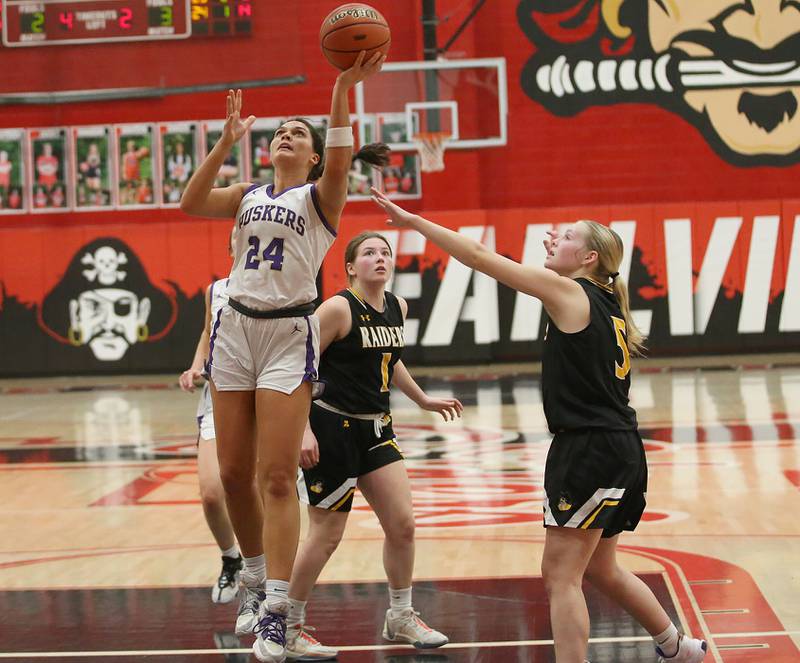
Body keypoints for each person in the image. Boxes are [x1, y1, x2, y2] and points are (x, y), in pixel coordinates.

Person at [370, 188, 708, 663]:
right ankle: (678, 647)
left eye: (566, 235)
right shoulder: (606, 300)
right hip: (618, 448)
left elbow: (480, 256)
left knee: (560, 575)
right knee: (601, 567)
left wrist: (415, 223)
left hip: (589, 451)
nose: (553, 237)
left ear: (588, 258)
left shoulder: (570, 290)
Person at [179, 50, 389, 663]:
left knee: (276, 476)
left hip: (287, 338)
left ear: (314, 157)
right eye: (280, 130)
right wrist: (223, 142)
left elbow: (344, 150)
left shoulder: (321, 199)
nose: (285, 134)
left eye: (298, 133)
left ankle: (276, 610)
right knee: (233, 474)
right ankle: (250, 573)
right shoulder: (245, 194)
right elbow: (191, 202)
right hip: (235, 333)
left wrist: (343, 87)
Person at [284, 232, 462, 660]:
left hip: (377, 428)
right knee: (326, 535)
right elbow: (298, 365)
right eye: (369, 253)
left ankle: (400, 615)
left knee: (402, 525)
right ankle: (288, 626)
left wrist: (422, 399)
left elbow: (390, 358)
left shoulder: (397, 307)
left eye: (385, 252)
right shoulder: (338, 308)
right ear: (350, 266)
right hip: (331, 427)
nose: (380, 258)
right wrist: (302, 430)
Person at [178, 235, 243, 605]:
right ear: (232, 248)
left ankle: (262, 575)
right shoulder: (215, 290)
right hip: (219, 397)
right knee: (211, 494)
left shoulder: (280, 286)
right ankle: (231, 557)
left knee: (258, 493)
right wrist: (196, 366)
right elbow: (208, 331)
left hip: (261, 398)